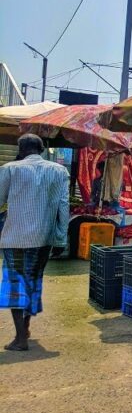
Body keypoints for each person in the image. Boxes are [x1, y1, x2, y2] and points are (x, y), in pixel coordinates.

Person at [0, 134, 70, 351]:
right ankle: (26, 329)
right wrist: (60, 238)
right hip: (43, 238)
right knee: (32, 282)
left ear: (20, 149)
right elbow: (64, 207)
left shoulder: (10, 169)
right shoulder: (59, 171)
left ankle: (20, 338)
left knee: (15, 286)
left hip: (15, 238)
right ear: (42, 148)